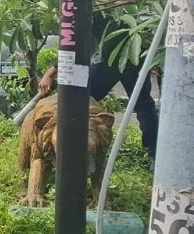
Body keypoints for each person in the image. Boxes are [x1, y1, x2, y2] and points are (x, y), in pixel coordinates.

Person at [38, 13, 159, 158]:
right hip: (128, 53)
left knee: (79, 98)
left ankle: (74, 145)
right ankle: (153, 154)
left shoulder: (92, 2)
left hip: (116, 56)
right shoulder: (105, 5)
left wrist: (51, 71)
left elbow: (77, 41)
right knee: (144, 106)